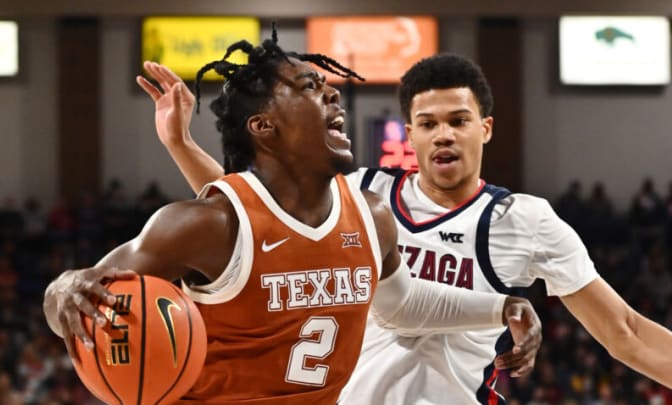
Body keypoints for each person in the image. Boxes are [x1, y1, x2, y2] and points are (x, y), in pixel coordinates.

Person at [43, 33, 542, 405]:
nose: (332, 96)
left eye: (328, 88)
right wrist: (63, 288)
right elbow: (77, 299)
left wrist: (502, 307)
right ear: (265, 127)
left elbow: (402, 305)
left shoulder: (370, 217)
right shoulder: (204, 225)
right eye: (309, 87)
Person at [154, 51, 672, 403]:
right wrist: (180, 143)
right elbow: (251, 213)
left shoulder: (526, 220)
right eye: (428, 123)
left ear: (485, 128)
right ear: (411, 133)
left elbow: (625, 333)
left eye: (458, 120)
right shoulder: (361, 193)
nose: (443, 135)